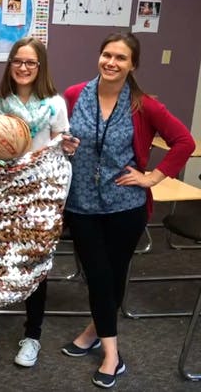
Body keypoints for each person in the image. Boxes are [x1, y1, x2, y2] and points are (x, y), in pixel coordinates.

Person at [61, 32, 195, 388]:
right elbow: (59, 140)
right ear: (99, 57)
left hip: (126, 206)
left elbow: (184, 141)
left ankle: (107, 350)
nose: (111, 62)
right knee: (98, 276)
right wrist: (66, 147)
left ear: (132, 64)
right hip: (82, 204)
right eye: (107, 55)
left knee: (113, 274)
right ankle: (106, 345)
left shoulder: (144, 105)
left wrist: (153, 176)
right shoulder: (75, 96)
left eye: (121, 57)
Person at [0, 36, 78, 367]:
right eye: (18, 61)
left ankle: (32, 336)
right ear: (10, 64)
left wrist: (68, 146)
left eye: (31, 62)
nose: (24, 68)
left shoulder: (55, 104)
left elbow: (61, 147)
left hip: (38, 197)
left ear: (40, 67)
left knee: (34, 266)